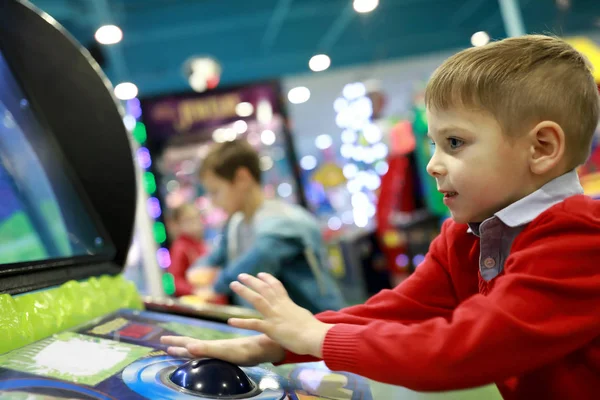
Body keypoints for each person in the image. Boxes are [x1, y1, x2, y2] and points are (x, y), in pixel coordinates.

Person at [162, 35, 600, 399]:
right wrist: (276, 345)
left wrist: (318, 338)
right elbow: (393, 311)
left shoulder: (577, 238)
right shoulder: (463, 237)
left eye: (454, 143)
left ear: (541, 148)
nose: (432, 165)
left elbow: (460, 350)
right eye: (433, 144)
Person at [185, 139, 346, 314]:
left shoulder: (284, 221)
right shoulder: (236, 223)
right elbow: (216, 256)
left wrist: (215, 286)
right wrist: (199, 269)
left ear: (242, 178)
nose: (213, 201)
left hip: (318, 324)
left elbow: (257, 259)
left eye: (215, 191)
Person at [167, 203, 208, 297]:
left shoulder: (199, 243)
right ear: (177, 225)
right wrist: (194, 291)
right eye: (189, 220)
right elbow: (175, 281)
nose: (196, 223)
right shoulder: (180, 247)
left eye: (197, 218)